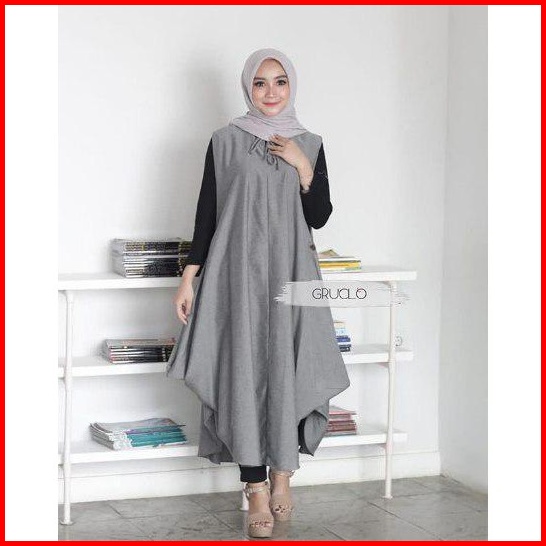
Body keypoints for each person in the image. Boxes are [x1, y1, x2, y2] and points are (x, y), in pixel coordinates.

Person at [166, 48, 350, 538]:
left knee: (291, 366)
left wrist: (302, 166)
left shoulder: (310, 142)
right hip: (236, 277)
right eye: (260, 83)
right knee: (242, 373)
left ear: (292, 86)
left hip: (293, 275)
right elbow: (207, 214)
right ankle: (255, 488)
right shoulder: (224, 141)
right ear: (248, 88)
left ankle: (283, 473)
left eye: (280, 81)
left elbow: (319, 216)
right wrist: (188, 278)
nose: (271, 92)